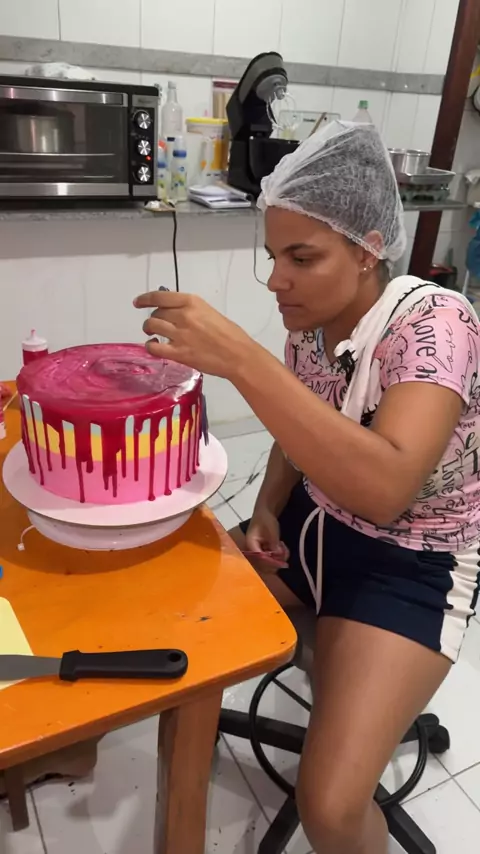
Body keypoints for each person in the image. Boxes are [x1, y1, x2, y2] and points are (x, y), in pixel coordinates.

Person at [135, 121, 480, 854]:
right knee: (171, 615)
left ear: (367, 249)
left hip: (409, 564)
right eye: (273, 256)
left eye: (302, 257)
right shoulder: (311, 327)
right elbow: (301, 433)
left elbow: (385, 489)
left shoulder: (435, 324)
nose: (275, 280)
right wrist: (266, 507)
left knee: (331, 809)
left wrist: (241, 359)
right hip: (307, 526)